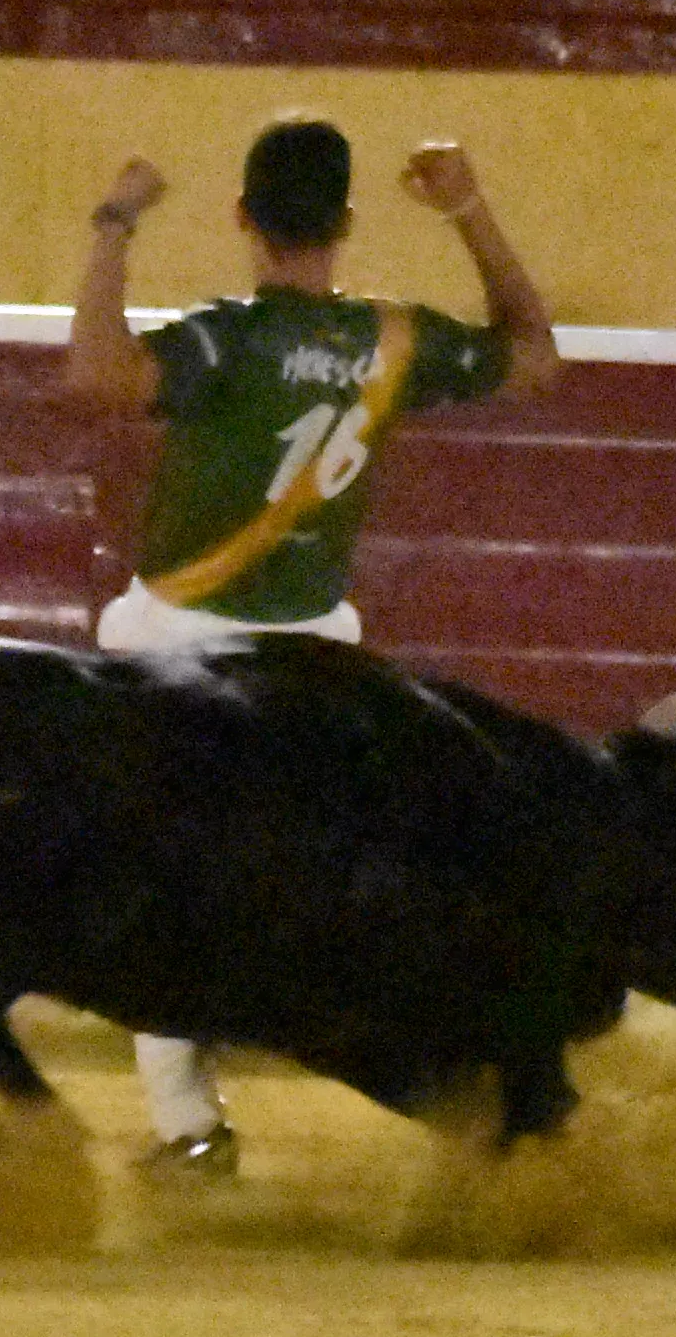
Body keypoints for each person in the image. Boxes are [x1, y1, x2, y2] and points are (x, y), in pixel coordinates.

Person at [57, 113, 557, 1176]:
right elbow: (533, 357)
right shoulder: (393, 341)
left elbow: (96, 374)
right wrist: (468, 211)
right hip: (321, 662)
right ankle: (475, 1094)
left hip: (179, 652)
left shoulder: (226, 340)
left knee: (146, 890)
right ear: (347, 222)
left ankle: (191, 1131)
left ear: (244, 216)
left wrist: (115, 223)